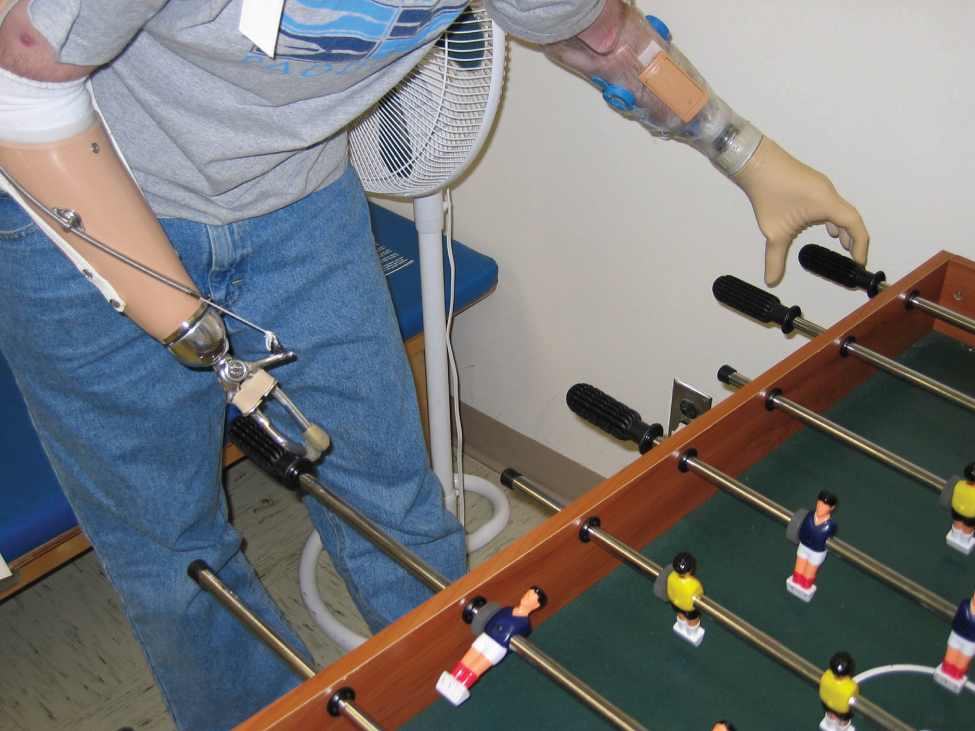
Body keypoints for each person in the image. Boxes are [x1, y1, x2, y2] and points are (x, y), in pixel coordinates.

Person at [0, 0, 868, 729]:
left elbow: (602, 35)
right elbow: (20, 79)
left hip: (299, 198)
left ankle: (468, 706)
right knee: (177, 563)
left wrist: (745, 153)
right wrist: (182, 321)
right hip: (73, 211)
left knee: (398, 501)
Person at [435, 586, 546, 705]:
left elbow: (508, 636)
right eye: (527, 594)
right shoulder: (507, 609)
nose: (526, 597)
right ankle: (451, 679)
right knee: (467, 660)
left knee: (476, 667)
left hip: (497, 647)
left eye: (531, 598)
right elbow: (493, 622)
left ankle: (461, 686)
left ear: (536, 606)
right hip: (486, 637)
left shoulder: (525, 624)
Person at [788, 490, 839, 600]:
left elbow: (829, 538)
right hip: (804, 546)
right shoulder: (809, 515)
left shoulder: (831, 525)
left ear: (832, 508)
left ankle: (804, 588)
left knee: (808, 575)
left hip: (816, 552)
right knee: (798, 572)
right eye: (819, 504)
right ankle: (795, 584)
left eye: (824, 506)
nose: (819, 508)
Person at [934, 586, 975, 692]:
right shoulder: (965, 604)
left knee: (961, 663)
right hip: (957, 635)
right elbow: (957, 619)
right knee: (949, 659)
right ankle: (946, 672)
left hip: (970, 642)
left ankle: (956, 676)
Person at [667, 550, 705, 645]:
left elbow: (669, 591)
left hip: (675, 603)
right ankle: (692, 633)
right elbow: (700, 594)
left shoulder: (671, 577)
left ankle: (681, 626)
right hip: (690, 608)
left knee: (681, 614)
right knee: (693, 620)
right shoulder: (694, 584)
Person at [818, 651, 859, 731]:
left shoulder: (826, 676)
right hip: (842, 710)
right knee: (843, 720)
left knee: (831, 713)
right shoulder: (851, 687)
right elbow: (855, 694)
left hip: (827, 703)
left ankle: (829, 725)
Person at [946, 462, 975, 554]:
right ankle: (964, 541)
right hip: (970, 516)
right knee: (967, 529)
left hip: (957, 511)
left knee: (957, 525)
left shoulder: (959, 484)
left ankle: (955, 536)